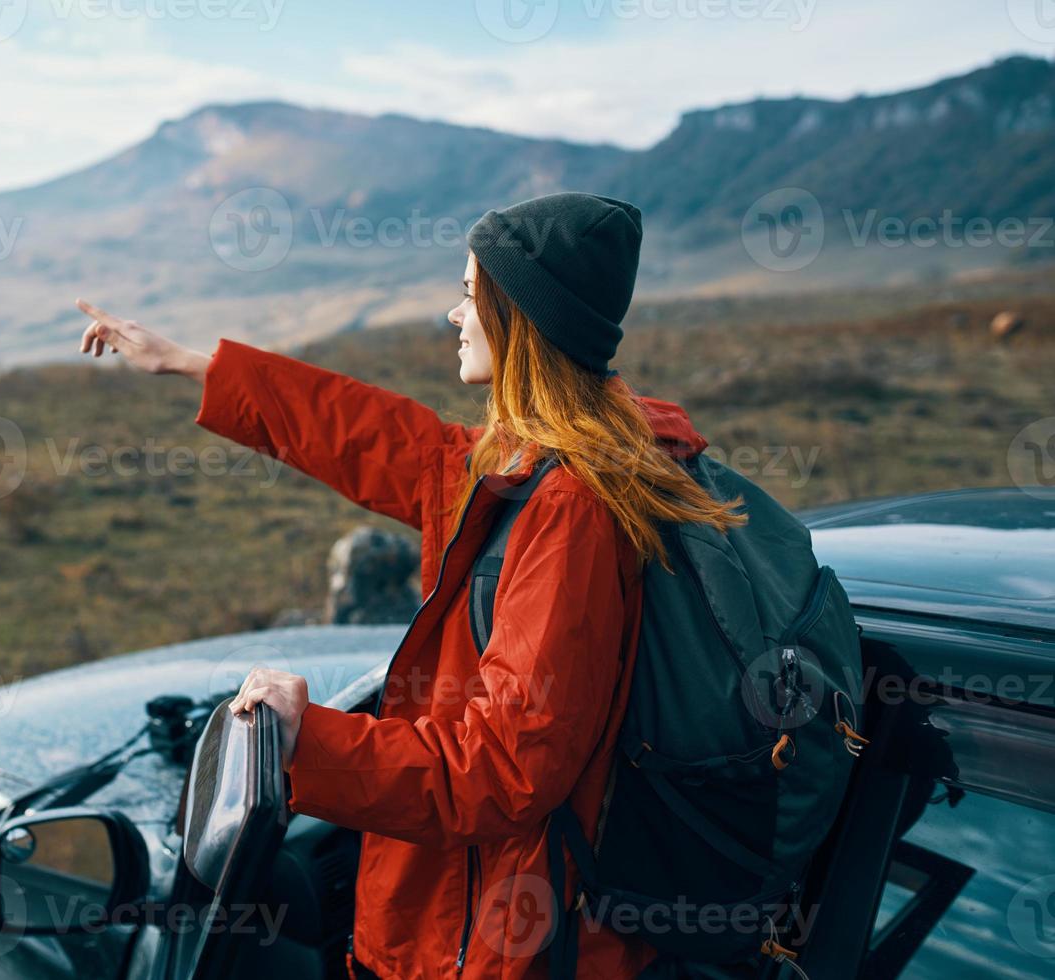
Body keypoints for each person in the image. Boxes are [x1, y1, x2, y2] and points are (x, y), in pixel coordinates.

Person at [75, 192, 743, 979]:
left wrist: (305, 740)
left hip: (505, 939)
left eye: (469, 294)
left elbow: (503, 769)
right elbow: (383, 438)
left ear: (523, 316)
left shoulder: (569, 507)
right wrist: (194, 364)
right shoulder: (545, 457)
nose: (452, 315)